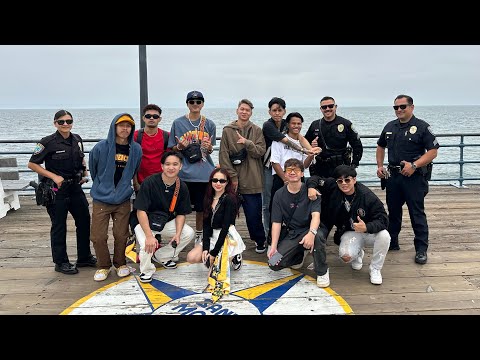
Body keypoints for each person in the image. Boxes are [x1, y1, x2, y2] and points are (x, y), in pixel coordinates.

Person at [27, 110, 95, 275]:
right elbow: (32, 164)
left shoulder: (77, 139)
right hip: (57, 190)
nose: (66, 124)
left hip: (75, 188)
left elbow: (81, 158)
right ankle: (61, 262)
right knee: (59, 226)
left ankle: (84, 257)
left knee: (84, 221)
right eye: (61, 121)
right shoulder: (47, 142)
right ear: (55, 123)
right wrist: (54, 176)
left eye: (68, 121)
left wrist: (84, 173)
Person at [376, 94, 439, 264]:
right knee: (393, 212)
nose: (399, 110)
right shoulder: (390, 126)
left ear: (411, 107)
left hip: (414, 178)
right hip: (393, 177)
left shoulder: (422, 127)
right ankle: (392, 242)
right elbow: (381, 146)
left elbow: (433, 151)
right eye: (396, 107)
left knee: (416, 213)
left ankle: (421, 249)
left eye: (402, 106)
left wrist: (415, 165)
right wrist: (380, 166)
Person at [307, 165, 391, 285]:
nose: (344, 184)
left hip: (368, 231)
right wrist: (311, 187)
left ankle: (376, 268)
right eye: (340, 181)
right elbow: (314, 178)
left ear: (354, 180)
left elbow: (383, 219)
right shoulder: (333, 186)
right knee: (346, 257)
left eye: (347, 180)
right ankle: (357, 253)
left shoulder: (367, 196)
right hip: (350, 232)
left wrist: (367, 227)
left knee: (384, 236)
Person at [89, 113, 142, 281]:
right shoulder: (100, 148)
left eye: (128, 126)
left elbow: (134, 170)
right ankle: (103, 265)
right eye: (121, 125)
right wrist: (103, 186)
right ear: (114, 127)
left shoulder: (136, 149)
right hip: (101, 199)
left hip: (123, 199)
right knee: (98, 236)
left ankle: (120, 263)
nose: (125, 128)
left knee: (121, 234)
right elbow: (93, 169)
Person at [133, 150, 195, 283]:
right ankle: (147, 270)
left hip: (166, 222)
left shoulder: (182, 187)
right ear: (162, 166)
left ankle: (162, 256)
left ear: (180, 166)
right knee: (146, 245)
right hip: (145, 222)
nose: (171, 167)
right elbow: (140, 211)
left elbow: (181, 213)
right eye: (167, 164)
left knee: (188, 233)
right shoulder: (149, 182)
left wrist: (178, 234)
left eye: (175, 164)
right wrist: (149, 236)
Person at [268, 158, 330, 288]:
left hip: (311, 228)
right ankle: (300, 254)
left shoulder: (311, 191)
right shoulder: (279, 194)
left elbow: (316, 216)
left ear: (302, 173)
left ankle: (322, 271)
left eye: (296, 170)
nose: (292, 172)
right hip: (294, 233)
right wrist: (273, 246)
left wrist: (311, 233)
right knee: (273, 263)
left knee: (317, 237)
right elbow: (276, 222)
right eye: (289, 170)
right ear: (285, 174)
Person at [219, 99, 267, 254]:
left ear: (251, 112)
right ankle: (227, 239)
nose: (244, 112)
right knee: (229, 214)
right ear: (237, 110)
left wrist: (247, 143)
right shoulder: (227, 130)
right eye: (242, 109)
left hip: (252, 178)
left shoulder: (257, 130)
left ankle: (259, 240)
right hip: (233, 179)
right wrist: (232, 177)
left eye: (247, 110)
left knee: (254, 214)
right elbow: (223, 155)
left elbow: (260, 152)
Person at [168, 90, 216, 245]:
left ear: (202, 104)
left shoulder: (209, 124)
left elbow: (209, 151)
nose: (195, 104)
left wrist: (209, 148)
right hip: (184, 174)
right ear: (187, 104)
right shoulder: (178, 123)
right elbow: (172, 149)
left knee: (202, 208)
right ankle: (178, 235)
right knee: (179, 208)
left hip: (204, 173)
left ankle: (199, 235)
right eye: (192, 102)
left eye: (198, 102)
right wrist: (179, 146)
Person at [262, 97, 314, 236]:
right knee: (270, 203)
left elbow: (300, 137)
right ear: (270, 111)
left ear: (284, 111)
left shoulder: (288, 123)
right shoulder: (268, 125)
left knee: (299, 206)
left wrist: (311, 152)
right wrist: (304, 150)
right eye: (274, 110)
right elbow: (285, 142)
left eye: (280, 110)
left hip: (296, 175)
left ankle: (298, 233)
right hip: (270, 167)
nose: (277, 113)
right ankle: (270, 234)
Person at [186, 168, 245, 270]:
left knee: (216, 268)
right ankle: (217, 258)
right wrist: (206, 248)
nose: (218, 183)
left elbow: (225, 228)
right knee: (191, 257)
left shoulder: (229, 199)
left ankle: (235, 255)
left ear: (227, 183)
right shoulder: (208, 198)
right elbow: (206, 225)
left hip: (226, 235)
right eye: (215, 180)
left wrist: (214, 253)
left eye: (222, 181)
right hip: (213, 234)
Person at [305, 96, 363, 177]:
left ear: (335, 107)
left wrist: (354, 165)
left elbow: (357, 146)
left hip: (341, 167)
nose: (327, 109)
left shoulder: (346, 124)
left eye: (330, 106)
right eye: (324, 107)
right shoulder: (315, 125)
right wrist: (311, 146)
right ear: (321, 109)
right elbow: (304, 143)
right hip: (321, 168)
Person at [133, 104, 170, 193]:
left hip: (161, 183)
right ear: (143, 118)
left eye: (155, 116)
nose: (151, 118)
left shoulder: (166, 136)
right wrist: (135, 183)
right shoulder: (136, 136)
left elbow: (170, 161)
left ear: (159, 119)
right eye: (148, 116)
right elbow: (132, 161)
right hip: (141, 183)